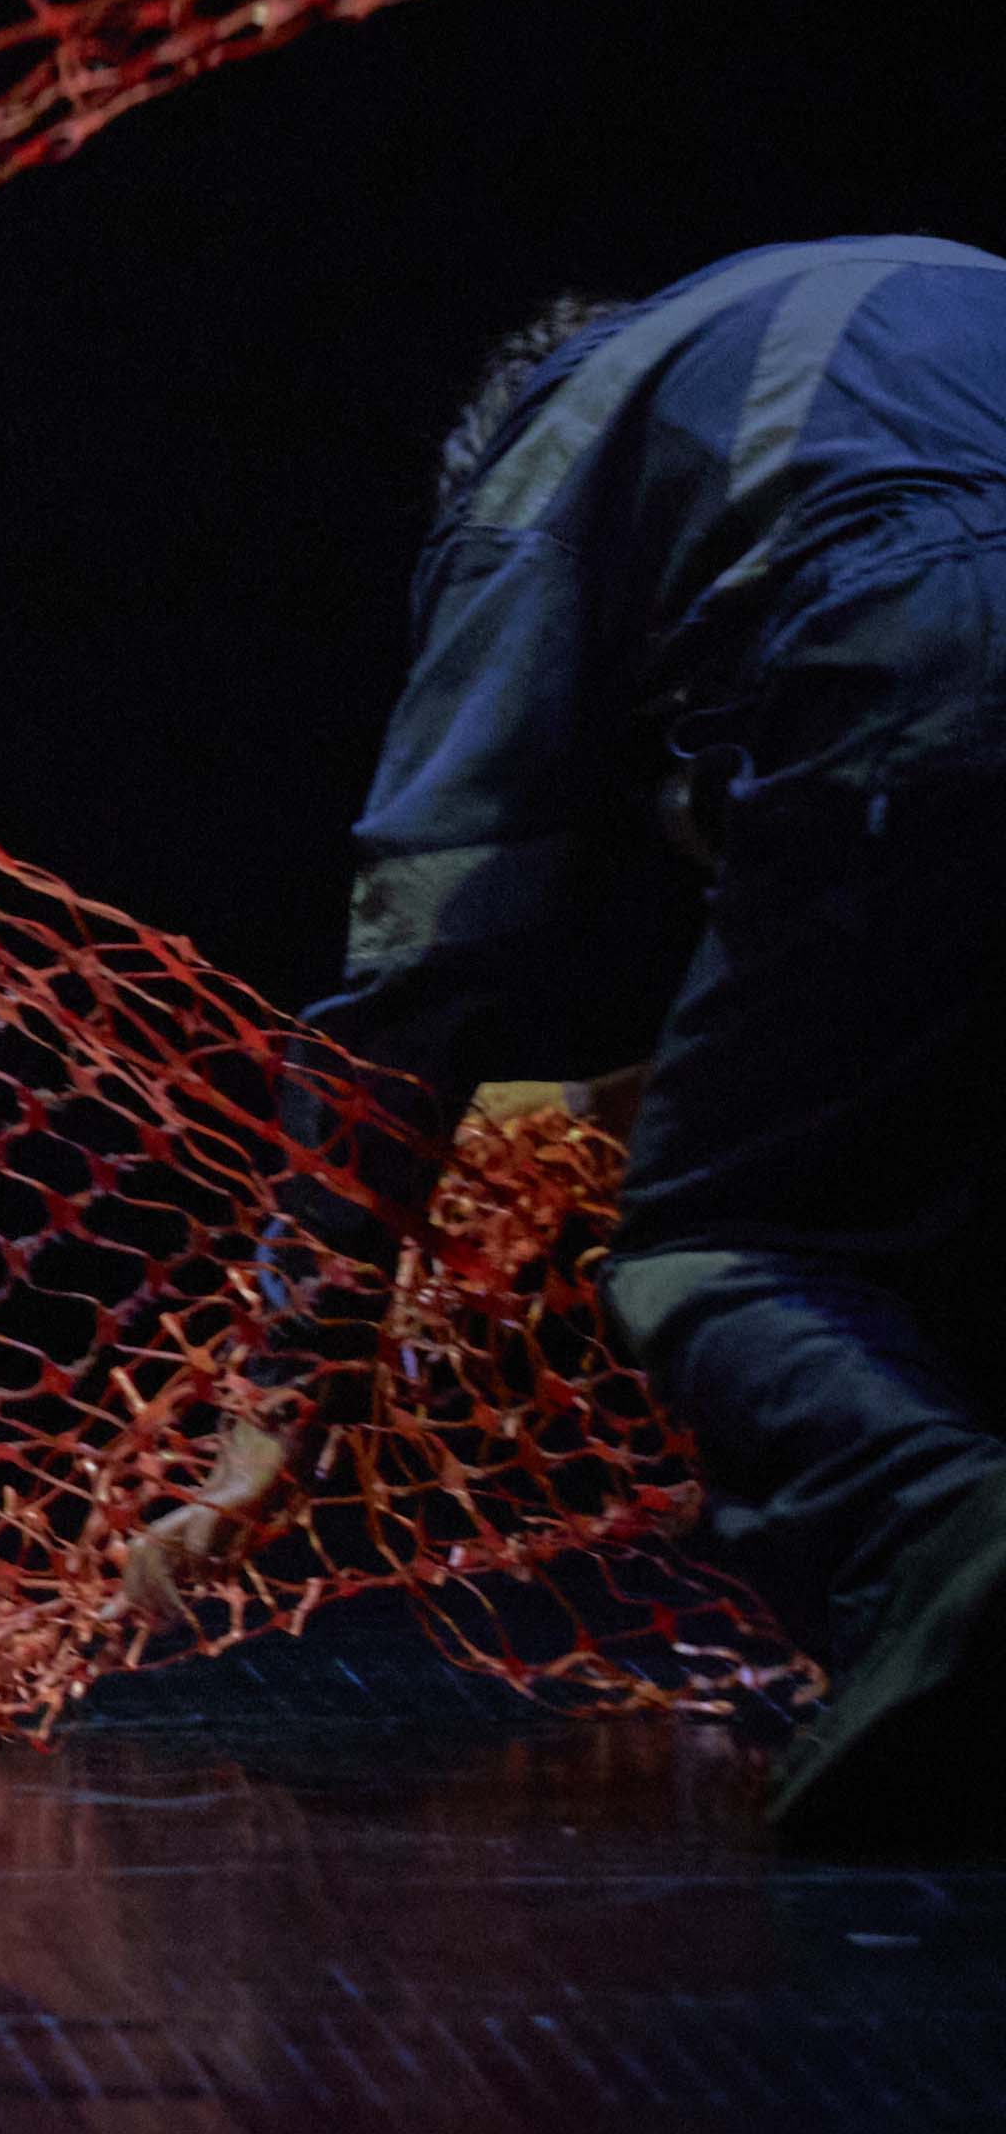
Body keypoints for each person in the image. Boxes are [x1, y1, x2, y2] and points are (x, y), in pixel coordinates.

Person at [129, 240, 1006, 1852]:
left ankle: (953, 1540)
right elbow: (892, 993)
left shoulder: (557, 443)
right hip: (932, 652)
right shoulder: (906, 324)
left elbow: (426, 939)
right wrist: (621, 1098)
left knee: (723, 1245)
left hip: (926, 643)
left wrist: (289, 1385)